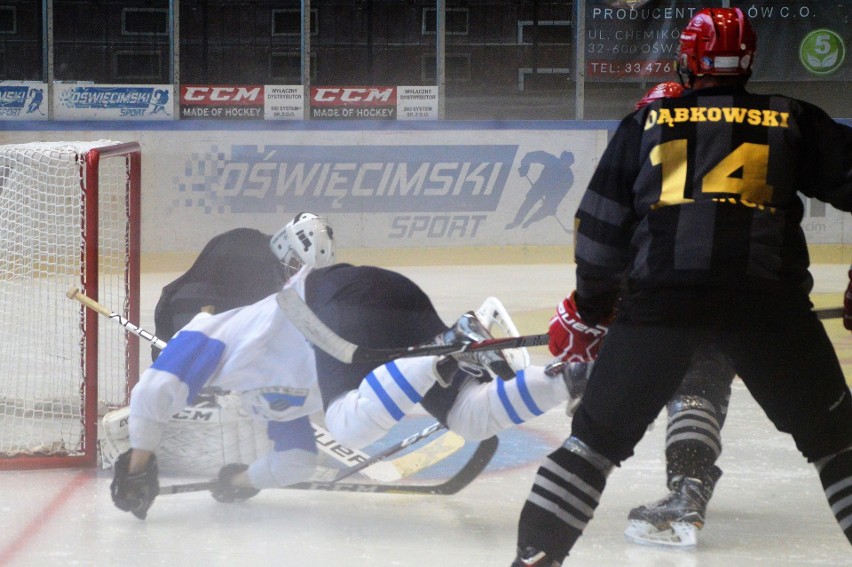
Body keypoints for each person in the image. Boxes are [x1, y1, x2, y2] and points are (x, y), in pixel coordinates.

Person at [511, 8, 852, 565]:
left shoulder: (645, 124)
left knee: (590, 446)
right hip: (768, 309)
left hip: (660, 309)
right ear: (749, 60)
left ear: (690, 59)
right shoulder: (794, 119)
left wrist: (594, 312)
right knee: (839, 447)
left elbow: (598, 233)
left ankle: (533, 558)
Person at [112, 238, 576, 521]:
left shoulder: (205, 335)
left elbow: (153, 392)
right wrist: (244, 479)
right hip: (383, 299)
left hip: (332, 298)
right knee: (469, 416)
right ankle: (575, 376)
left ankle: (453, 344)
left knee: (348, 423)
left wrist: (137, 466)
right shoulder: (264, 400)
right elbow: (295, 462)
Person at [622, 81, 736, 547]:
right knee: (702, 388)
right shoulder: (719, 161)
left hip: (678, 304)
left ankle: (689, 488)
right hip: (737, 302)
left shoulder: (646, 178)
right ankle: (692, 481)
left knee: (690, 387)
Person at [151, 212, 334, 360]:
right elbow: (194, 299)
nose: (298, 273)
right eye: (297, 263)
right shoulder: (242, 248)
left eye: (305, 269)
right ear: (283, 244)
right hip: (182, 326)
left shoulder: (278, 274)